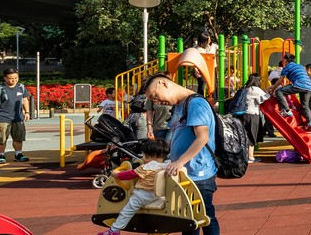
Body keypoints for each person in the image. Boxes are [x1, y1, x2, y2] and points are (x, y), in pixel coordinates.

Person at [138, 71, 219, 235]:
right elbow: (179, 136)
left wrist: (179, 162)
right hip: (185, 174)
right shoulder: (178, 106)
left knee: (204, 216)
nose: (157, 101)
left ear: (164, 84)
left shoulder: (195, 103)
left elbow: (202, 137)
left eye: (155, 96)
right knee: (187, 220)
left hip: (199, 173)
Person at [96, 136, 172, 234]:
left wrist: (116, 174)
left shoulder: (147, 167)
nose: (142, 158)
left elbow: (130, 174)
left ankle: (114, 230)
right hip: (159, 195)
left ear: (152, 155)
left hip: (143, 195)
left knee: (127, 211)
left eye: (144, 156)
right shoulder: (167, 165)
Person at [0, 67, 31, 164]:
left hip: (18, 117)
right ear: (5, 78)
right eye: (11, 78)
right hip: (3, 117)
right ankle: (1, 155)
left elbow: (25, 100)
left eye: (16, 78)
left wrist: (27, 112)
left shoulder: (21, 87)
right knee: (2, 138)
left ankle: (18, 154)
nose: (14, 80)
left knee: (18, 137)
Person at [231, 74, 268, 161]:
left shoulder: (245, 88)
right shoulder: (256, 89)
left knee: (244, 134)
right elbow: (263, 99)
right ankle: (250, 157)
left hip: (241, 114)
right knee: (252, 135)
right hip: (252, 114)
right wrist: (267, 92)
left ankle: (244, 156)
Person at [273, 52, 311, 131]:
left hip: (299, 84)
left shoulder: (286, 67)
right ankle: (310, 122)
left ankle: (286, 110)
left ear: (285, 60)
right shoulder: (300, 66)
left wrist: (273, 88)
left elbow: (280, 81)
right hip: (309, 86)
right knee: (305, 106)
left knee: (279, 92)